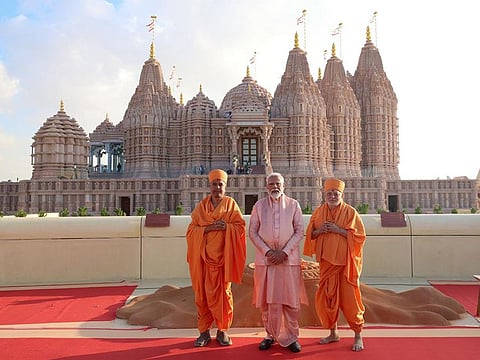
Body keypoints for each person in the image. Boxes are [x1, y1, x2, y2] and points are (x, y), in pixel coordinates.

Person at [303, 178, 367, 351]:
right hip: (326, 264)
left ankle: (358, 335)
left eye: (335, 193)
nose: (332, 196)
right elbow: (311, 234)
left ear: (342, 195)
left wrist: (338, 230)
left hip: (345, 266)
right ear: (324, 195)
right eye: (329, 193)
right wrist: (319, 230)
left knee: (351, 301)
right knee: (329, 299)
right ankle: (333, 333)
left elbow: (360, 237)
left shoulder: (350, 213)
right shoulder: (318, 212)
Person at [186, 169, 247, 347]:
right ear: (210, 186)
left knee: (223, 295)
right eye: (214, 184)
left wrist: (227, 227)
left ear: (225, 187)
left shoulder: (231, 205)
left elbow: (240, 227)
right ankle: (203, 332)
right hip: (203, 261)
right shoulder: (202, 207)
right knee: (202, 295)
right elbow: (191, 231)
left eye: (221, 184)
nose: (217, 187)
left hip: (223, 260)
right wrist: (209, 229)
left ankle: (222, 331)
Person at [249, 172, 308, 353]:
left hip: (287, 261)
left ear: (284, 185)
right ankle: (270, 335)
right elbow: (252, 232)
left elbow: (299, 231)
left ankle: (291, 337)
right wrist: (268, 252)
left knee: (290, 301)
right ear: (266, 187)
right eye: (271, 184)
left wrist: (284, 252)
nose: (275, 187)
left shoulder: (293, 205)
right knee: (267, 302)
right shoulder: (259, 206)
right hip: (266, 261)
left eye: (278, 184)